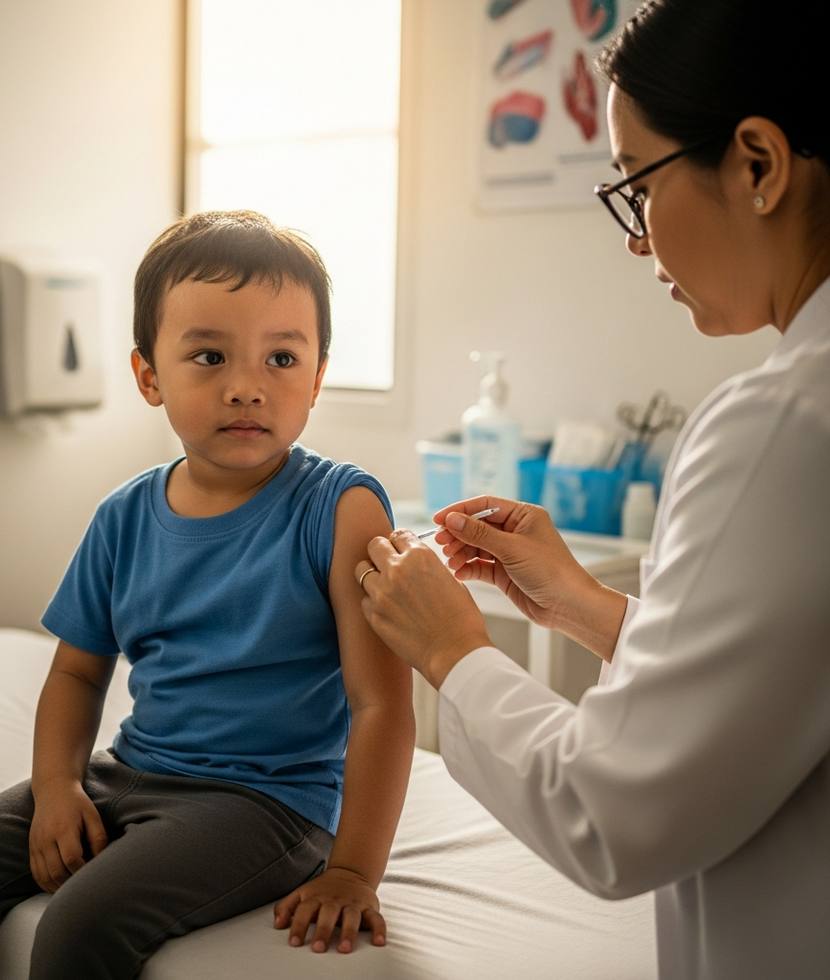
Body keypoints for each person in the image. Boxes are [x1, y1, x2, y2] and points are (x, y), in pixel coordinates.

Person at [355, 2, 830, 978]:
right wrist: (584, 605)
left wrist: (453, 651)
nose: (633, 241)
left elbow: (611, 810)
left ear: (755, 164)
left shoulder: (781, 422)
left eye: (636, 189)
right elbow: (777, 680)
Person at [0, 211, 415, 980]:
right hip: (129, 771)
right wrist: (60, 787)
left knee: (80, 922)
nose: (246, 387)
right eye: (209, 355)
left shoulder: (341, 509)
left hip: (268, 803)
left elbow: (382, 703)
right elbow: (75, 673)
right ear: (149, 376)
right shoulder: (124, 516)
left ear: (318, 376)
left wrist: (355, 870)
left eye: (281, 358)